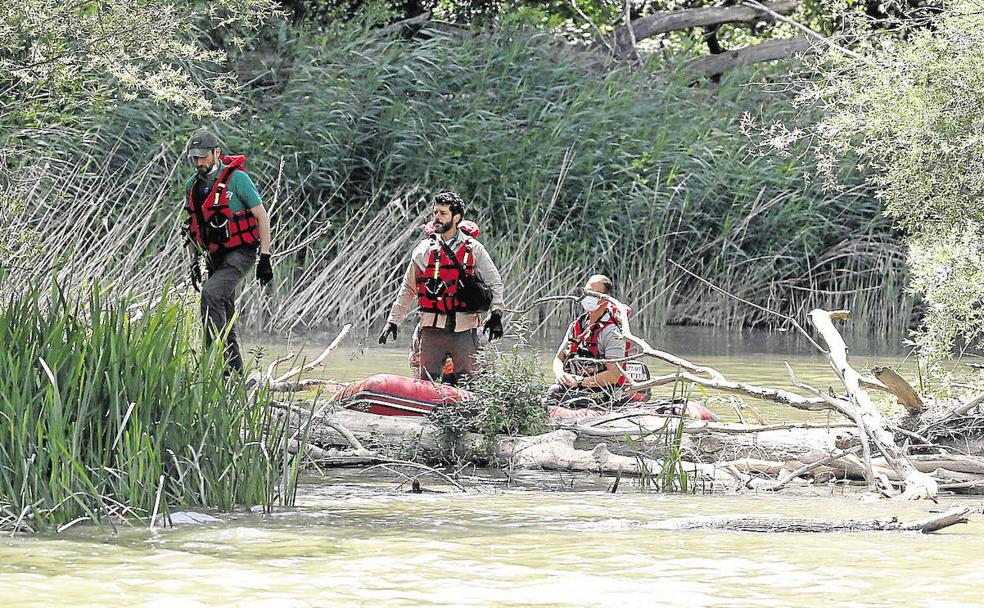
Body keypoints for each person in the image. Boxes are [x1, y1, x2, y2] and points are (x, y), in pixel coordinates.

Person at [379, 192, 504, 384]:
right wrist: (393, 321)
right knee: (427, 382)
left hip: (464, 328)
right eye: (435, 212)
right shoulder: (423, 250)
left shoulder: (475, 249)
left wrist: (496, 315)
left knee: (467, 381)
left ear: (456, 218)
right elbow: (408, 288)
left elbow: (494, 283)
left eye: (443, 213)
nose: (437, 217)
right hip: (431, 328)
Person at [183, 129, 273, 372]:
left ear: (217, 153)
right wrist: (193, 262)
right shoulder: (193, 186)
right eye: (194, 157)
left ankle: (215, 365)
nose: (199, 162)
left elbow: (262, 217)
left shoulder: (238, 179)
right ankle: (234, 377)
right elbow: (191, 227)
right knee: (224, 312)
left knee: (210, 295)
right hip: (214, 256)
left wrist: (265, 258)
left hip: (241, 253)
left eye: (203, 156)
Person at [545, 274, 630, 409]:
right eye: (586, 292)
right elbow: (558, 358)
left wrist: (580, 382)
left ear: (605, 299)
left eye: (593, 293)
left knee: (555, 393)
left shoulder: (613, 332)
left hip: (604, 391)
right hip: (576, 385)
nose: (587, 296)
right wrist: (560, 374)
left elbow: (613, 375)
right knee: (549, 391)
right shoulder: (576, 325)